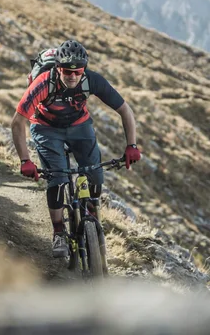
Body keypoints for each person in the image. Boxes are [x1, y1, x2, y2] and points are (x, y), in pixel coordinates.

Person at [10, 39, 141, 257]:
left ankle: (90, 213)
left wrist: (132, 145)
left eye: (77, 72)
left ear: (84, 70)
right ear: (58, 68)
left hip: (79, 125)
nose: (72, 76)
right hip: (46, 127)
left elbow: (125, 110)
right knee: (59, 179)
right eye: (66, 71)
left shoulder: (93, 81)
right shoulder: (43, 83)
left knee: (95, 176)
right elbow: (18, 122)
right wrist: (25, 160)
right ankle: (59, 231)